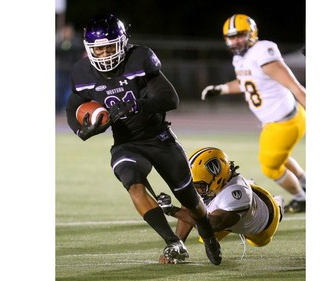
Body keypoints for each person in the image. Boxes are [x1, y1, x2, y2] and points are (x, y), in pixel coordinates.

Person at [65, 13, 222, 265]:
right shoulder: (83, 72)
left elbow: (171, 99)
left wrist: (135, 106)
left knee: (190, 200)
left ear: (122, 43)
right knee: (132, 183)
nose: (104, 55)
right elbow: (73, 106)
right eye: (99, 49)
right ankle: (173, 242)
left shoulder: (138, 58)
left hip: (159, 138)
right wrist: (82, 130)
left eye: (108, 48)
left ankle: (207, 233)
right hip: (126, 143)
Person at [201, 14, 306, 213]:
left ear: (252, 33)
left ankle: (302, 198)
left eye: (240, 35)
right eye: (231, 37)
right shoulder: (241, 58)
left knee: (270, 167)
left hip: (283, 123)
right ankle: (307, 183)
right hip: (281, 121)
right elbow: (246, 83)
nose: (236, 41)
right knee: (279, 156)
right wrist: (221, 89)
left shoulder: (261, 51)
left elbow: (296, 87)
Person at [157, 147, 284, 264]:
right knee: (194, 209)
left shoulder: (235, 193)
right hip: (227, 210)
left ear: (217, 175)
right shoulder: (216, 183)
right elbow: (190, 206)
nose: (198, 190)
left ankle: (278, 203)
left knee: (259, 242)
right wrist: (177, 245)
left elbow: (213, 225)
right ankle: (250, 185)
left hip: (264, 223)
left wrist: (171, 210)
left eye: (200, 186)